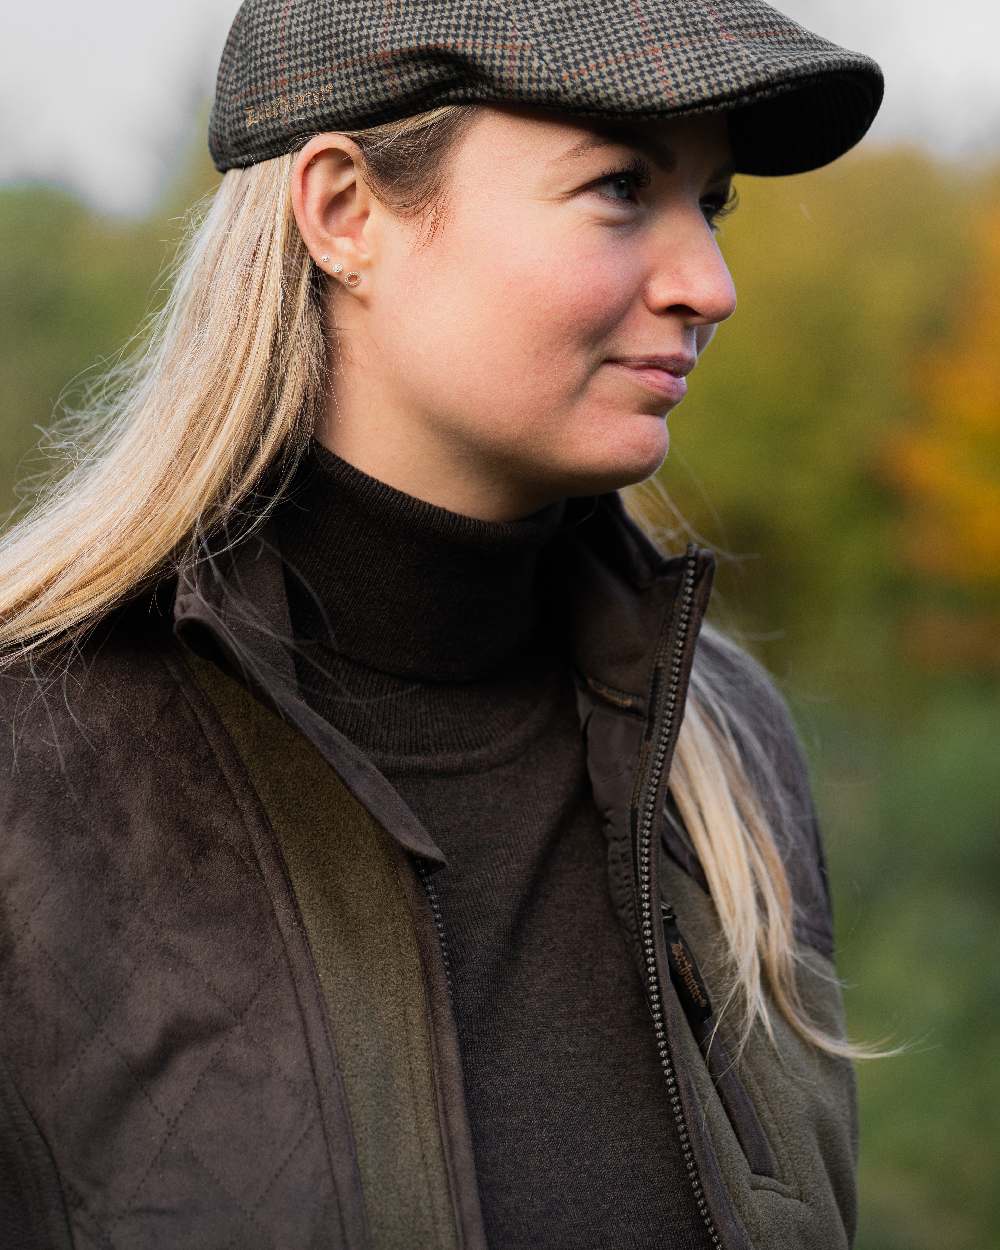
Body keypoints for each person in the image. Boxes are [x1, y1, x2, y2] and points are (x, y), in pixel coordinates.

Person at [0, 2, 887, 1247]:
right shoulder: (30, 768)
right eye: (621, 184)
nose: (710, 284)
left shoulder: (722, 749)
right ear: (345, 212)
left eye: (713, 199)